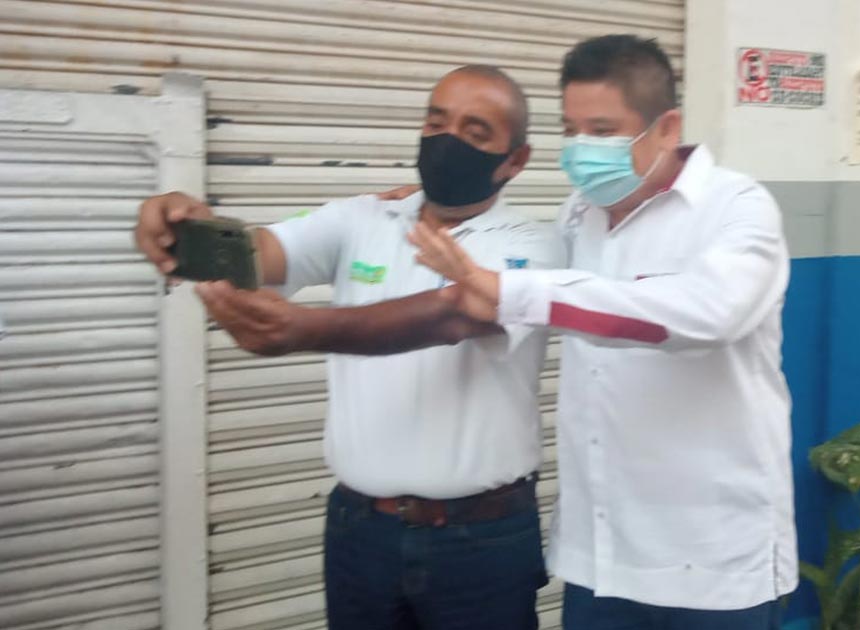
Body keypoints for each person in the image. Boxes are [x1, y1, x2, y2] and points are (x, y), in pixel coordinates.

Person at [285, 35, 799, 629]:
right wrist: (416, 203)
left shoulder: (736, 208)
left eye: (603, 130)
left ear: (667, 128)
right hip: (601, 559)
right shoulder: (579, 216)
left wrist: (509, 291)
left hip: (713, 564)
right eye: (571, 129)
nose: (583, 149)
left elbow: (710, 313)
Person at [133, 65, 561, 630]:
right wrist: (185, 227)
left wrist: (307, 329)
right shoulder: (362, 218)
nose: (447, 141)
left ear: (515, 160)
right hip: (361, 532)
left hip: (480, 541)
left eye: (475, 132)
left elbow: (456, 314)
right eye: (436, 123)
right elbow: (258, 253)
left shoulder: (534, 245)